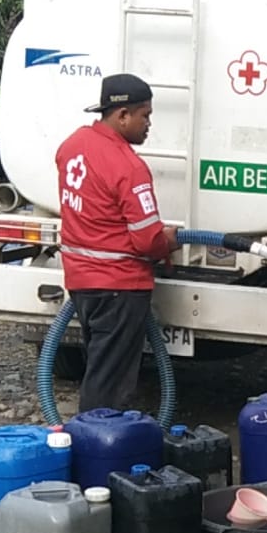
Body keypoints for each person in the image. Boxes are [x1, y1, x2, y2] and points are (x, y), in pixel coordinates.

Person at [55, 73, 179, 411]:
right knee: (110, 384)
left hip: (82, 282)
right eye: (145, 115)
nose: (148, 124)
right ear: (122, 115)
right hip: (119, 286)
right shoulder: (128, 166)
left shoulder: (72, 146)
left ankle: (95, 444)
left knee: (100, 368)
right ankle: (100, 451)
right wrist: (168, 240)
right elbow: (147, 241)